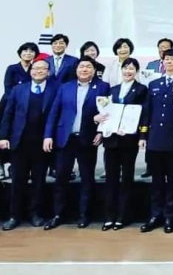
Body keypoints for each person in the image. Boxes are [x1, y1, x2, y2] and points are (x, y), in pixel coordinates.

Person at [43, 56, 110, 229]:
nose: (84, 69)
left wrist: (101, 132)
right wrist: (48, 135)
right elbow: (54, 112)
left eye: (88, 66)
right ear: (76, 69)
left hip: (87, 139)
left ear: (94, 70)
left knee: (87, 178)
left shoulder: (103, 87)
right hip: (65, 139)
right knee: (61, 178)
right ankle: (58, 214)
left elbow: (107, 113)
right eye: (81, 66)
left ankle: (84, 215)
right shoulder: (65, 87)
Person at [0, 57, 58, 230]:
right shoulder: (18, 90)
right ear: (30, 71)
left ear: (48, 72)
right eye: (35, 68)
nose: (38, 71)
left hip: (42, 145)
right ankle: (14, 216)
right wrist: (3, 137)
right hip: (19, 144)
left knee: (39, 182)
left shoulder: (55, 90)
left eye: (43, 69)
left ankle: (35, 214)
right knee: (17, 181)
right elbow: (8, 115)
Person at [139, 49, 173, 234]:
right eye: (166, 59)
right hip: (155, 139)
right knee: (156, 181)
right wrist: (143, 135)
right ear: (162, 62)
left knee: (172, 180)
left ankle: (170, 216)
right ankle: (155, 215)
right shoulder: (154, 84)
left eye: (172, 59)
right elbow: (147, 112)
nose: (169, 62)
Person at [96, 58, 146, 231]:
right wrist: (102, 129)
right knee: (111, 178)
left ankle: (123, 216)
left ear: (136, 71)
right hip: (111, 139)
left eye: (131, 69)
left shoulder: (142, 90)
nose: (128, 71)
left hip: (129, 139)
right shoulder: (113, 90)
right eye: (125, 68)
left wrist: (141, 135)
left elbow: (143, 114)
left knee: (126, 179)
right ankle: (109, 216)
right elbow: (106, 113)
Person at [0, 42, 40, 180]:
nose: (28, 53)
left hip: (28, 107)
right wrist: (18, 102)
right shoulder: (12, 68)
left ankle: (16, 167)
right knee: (6, 136)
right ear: (20, 53)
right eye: (25, 51)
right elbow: (8, 88)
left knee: (20, 138)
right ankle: (2, 166)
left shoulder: (35, 69)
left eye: (31, 51)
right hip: (9, 105)